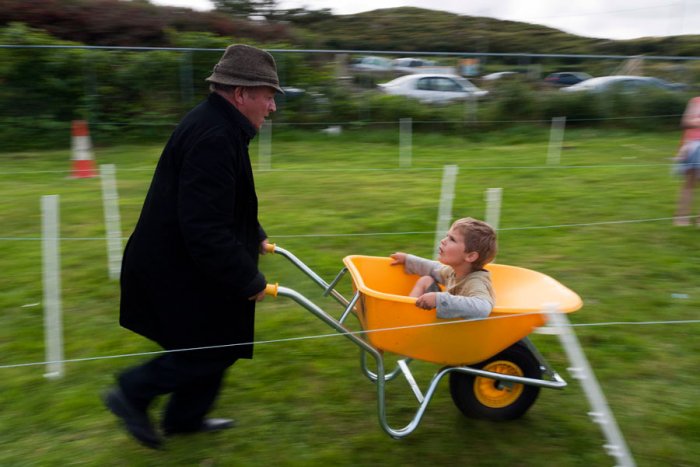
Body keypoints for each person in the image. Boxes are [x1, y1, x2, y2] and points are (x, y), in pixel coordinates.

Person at [102, 44, 282, 449]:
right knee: (209, 347)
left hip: (183, 257)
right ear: (241, 94)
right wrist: (246, 277)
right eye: (268, 96)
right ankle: (131, 393)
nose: (271, 107)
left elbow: (221, 201)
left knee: (220, 339)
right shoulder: (215, 136)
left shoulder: (220, 127)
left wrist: (253, 233)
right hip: (174, 263)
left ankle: (185, 419)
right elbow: (202, 224)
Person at [390, 217, 497, 319]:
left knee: (429, 283)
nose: (443, 241)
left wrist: (439, 299)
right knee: (426, 280)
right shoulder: (454, 271)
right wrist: (408, 260)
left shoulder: (476, 282)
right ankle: (407, 314)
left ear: (470, 256)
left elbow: (483, 308)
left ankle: (406, 319)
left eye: (452, 239)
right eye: (447, 236)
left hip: (464, 329)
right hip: (449, 321)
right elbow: (433, 268)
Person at [673, 96, 700, 226]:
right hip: (692, 146)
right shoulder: (695, 101)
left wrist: (695, 121)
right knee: (688, 184)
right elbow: (684, 123)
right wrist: (694, 121)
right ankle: (682, 217)